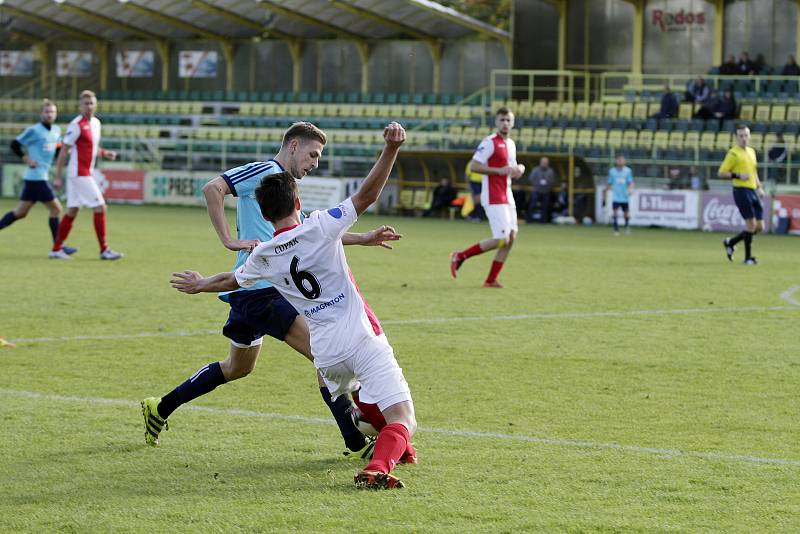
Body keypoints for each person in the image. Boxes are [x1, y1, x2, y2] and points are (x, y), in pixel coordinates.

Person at [171, 122, 415, 490]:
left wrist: (200, 283)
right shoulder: (318, 225)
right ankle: (377, 460)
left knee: (357, 396)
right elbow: (366, 195)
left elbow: (230, 281)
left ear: (266, 218)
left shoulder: (264, 254)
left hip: (327, 354)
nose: (315, 162)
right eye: (314, 155)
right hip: (359, 336)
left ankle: (377, 439)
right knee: (402, 417)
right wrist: (392, 148)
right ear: (298, 204)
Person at [450, 107, 525, 288]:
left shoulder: (511, 144)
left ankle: (490, 280)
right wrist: (498, 171)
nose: (505, 123)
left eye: (508, 120)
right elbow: (475, 166)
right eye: (502, 120)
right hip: (493, 196)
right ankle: (460, 255)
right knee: (501, 239)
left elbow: (511, 168)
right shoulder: (490, 142)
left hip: (507, 195)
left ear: (513, 123)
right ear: (496, 122)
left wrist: (519, 169)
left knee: (511, 237)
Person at [50, 90, 122, 260]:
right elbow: (63, 151)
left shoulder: (96, 123)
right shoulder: (76, 125)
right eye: (86, 104)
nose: (89, 107)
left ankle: (56, 248)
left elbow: (90, 148)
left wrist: (104, 153)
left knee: (73, 210)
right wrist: (58, 175)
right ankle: (104, 250)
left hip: (85, 172)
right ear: (80, 106)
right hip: (78, 173)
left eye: (91, 103)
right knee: (100, 207)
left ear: (95, 105)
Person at [0, 99, 77, 255]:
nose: (50, 114)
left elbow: (55, 150)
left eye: (53, 112)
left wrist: (64, 152)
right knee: (56, 209)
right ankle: (58, 247)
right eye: (47, 112)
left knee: (20, 213)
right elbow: (15, 144)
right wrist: (26, 159)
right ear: (41, 114)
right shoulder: (34, 130)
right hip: (36, 178)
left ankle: (58, 246)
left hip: (36, 178)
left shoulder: (56, 130)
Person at [720, 124, 765, 265]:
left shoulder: (751, 151)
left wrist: (759, 186)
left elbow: (754, 171)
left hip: (752, 190)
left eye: (746, 135)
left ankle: (731, 242)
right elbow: (721, 172)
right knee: (751, 225)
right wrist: (738, 175)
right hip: (741, 191)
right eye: (741, 136)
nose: (744, 138)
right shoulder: (733, 153)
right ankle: (748, 258)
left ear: (750, 136)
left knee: (760, 227)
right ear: (736, 138)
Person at [603, 154, 634, 236]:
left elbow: (630, 182)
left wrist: (631, 189)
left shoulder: (628, 171)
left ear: (624, 161)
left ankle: (627, 226)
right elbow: (609, 183)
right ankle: (616, 229)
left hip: (624, 196)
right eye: (619, 160)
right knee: (615, 212)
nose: (620, 161)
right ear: (616, 161)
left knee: (626, 213)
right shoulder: (612, 171)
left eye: (622, 160)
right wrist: (606, 191)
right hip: (616, 196)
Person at [526, 156, 555, 223]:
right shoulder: (535, 170)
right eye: (543, 162)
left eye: (546, 163)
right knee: (532, 205)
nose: (545, 164)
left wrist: (547, 183)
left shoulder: (550, 171)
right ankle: (529, 220)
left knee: (545, 207)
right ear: (540, 163)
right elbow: (531, 178)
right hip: (536, 190)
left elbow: (552, 181)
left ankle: (543, 221)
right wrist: (538, 183)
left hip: (546, 191)